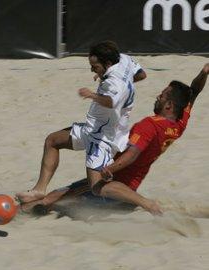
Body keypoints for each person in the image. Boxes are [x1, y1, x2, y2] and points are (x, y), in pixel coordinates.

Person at [21, 63, 209, 216]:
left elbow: (132, 154)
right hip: (128, 187)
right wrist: (204, 72)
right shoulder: (178, 123)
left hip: (114, 188)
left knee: (53, 199)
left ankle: (19, 212)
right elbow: (194, 92)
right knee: (58, 195)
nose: (158, 96)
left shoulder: (149, 125)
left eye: (162, 95)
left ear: (169, 105)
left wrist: (110, 168)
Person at [16, 41, 146, 203]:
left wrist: (92, 95)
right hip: (93, 128)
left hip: (103, 138)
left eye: (95, 66)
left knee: (96, 187)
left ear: (107, 63)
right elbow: (141, 75)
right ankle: (39, 190)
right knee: (52, 140)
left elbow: (111, 102)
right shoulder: (124, 59)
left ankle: (142, 202)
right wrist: (108, 78)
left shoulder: (114, 83)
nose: (92, 69)